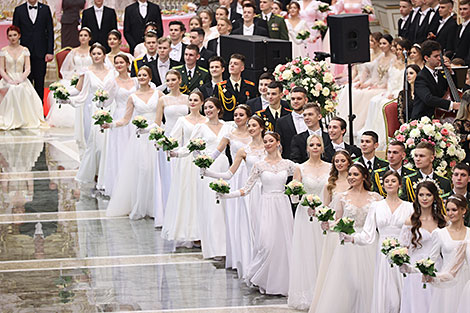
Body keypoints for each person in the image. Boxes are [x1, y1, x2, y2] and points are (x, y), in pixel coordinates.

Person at [219, 131, 297, 295]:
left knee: (284, 244)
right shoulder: (259, 166)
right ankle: (260, 276)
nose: (267, 144)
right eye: (266, 141)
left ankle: (283, 283)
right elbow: (246, 189)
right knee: (266, 244)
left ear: (277, 142)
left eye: (271, 141)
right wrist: (226, 195)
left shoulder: (289, 165)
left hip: (282, 205)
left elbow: (300, 180)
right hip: (266, 205)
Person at [309, 163, 382, 313]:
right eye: (350, 174)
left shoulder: (375, 198)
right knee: (350, 283)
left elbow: (380, 221)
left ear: (364, 177)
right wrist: (326, 223)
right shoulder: (342, 197)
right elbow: (336, 219)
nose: (351, 178)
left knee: (369, 282)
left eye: (355, 174)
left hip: (369, 242)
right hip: (348, 244)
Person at [202, 113, 266, 278]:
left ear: (262, 128)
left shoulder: (271, 147)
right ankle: (249, 264)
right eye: (249, 125)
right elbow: (229, 173)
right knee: (249, 226)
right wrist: (207, 171)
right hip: (248, 188)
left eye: (254, 125)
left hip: (268, 192)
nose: (251, 128)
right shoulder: (243, 151)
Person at [342, 170, 414, 313]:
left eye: (393, 181)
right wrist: (353, 238)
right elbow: (368, 233)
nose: (390, 184)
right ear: (383, 185)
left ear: (400, 184)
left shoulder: (409, 206)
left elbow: (413, 232)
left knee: (403, 289)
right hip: (383, 254)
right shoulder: (376, 206)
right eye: (386, 181)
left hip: (403, 253)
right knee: (386, 292)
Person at [104, 66, 164, 219]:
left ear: (150, 77)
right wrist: (111, 125)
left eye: (145, 75)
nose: (142, 77)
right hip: (140, 138)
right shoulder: (133, 97)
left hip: (155, 135)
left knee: (156, 169)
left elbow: (159, 119)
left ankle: (157, 207)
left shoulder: (158, 94)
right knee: (143, 169)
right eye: (140, 75)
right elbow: (126, 119)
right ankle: (142, 205)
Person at [288, 134, 331, 310]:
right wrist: (303, 201)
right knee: (306, 251)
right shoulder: (300, 168)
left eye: (318, 144)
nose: (314, 147)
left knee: (323, 251)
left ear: (322, 148)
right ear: (307, 148)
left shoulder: (330, 168)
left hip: (325, 213)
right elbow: (293, 193)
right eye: (311, 144)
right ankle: (307, 293)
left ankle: (325, 292)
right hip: (306, 214)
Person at [189, 97, 232, 259]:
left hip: (223, 166)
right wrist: (202, 162)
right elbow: (193, 149)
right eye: (206, 108)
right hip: (207, 168)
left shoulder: (228, 126)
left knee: (224, 206)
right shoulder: (200, 127)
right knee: (211, 207)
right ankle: (215, 248)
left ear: (219, 109)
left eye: (211, 107)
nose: (208, 110)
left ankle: (228, 246)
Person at [161, 91, 207, 244]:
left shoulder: (207, 121)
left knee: (201, 194)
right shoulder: (182, 120)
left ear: (201, 102)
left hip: (202, 160)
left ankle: (202, 232)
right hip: (186, 161)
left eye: (196, 100)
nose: (192, 102)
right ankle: (188, 230)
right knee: (187, 193)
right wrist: (166, 144)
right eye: (191, 100)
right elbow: (174, 138)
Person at [71, 43, 116, 189]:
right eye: (94, 54)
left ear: (104, 55)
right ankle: (95, 171)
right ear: (91, 55)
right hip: (93, 109)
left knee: (108, 142)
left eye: (99, 53)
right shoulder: (87, 72)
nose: (96, 56)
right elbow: (78, 90)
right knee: (95, 142)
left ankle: (107, 172)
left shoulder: (112, 72)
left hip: (110, 108)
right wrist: (63, 94)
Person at [399, 181, 447, 313]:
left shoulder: (442, 220)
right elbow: (403, 247)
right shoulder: (411, 221)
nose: (424, 198)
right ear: (417, 197)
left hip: (437, 267)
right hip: (416, 269)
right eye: (421, 195)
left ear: (434, 197)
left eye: (428, 195)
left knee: (437, 303)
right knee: (418, 303)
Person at [336, 34, 396, 134]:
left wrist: (378, 86)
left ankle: (362, 123)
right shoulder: (380, 58)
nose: (381, 46)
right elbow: (374, 75)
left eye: (384, 43)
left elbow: (390, 78)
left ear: (390, 45)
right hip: (375, 84)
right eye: (380, 43)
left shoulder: (393, 59)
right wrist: (367, 84)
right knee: (356, 91)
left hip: (384, 87)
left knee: (365, 95)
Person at [359, 38, 409, 149]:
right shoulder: (393, 61)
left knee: (383, 104)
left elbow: (403, 82)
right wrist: (389, 91)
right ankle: (373, 134)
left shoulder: (408, 64)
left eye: (400, 49)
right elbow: (390, 79)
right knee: (374, 100)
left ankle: (384, 138)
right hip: (390, 90)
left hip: (399, 92)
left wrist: (395, 93)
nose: (398, 51)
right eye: (397, 49)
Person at [101, 54, 137, 196]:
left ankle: (134, 183)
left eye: (122, 62)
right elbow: (106, 102)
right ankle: (120, 186)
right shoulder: (112, 82)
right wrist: (101, 98)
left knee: (134, 150)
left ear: (128, 64)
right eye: (116, 63)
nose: (119, 65)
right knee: (121, 150)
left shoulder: (136, 81)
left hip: (135, 116)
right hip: (120, 116)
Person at [427, 194, 470, 313]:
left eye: (454, 210)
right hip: (447, 283)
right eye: (448, 210)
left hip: (467, 282)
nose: (450, 213)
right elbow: (431, 260)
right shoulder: (440, 234)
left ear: (463, 210)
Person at [0, 25, 46, 130]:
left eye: (15, 35)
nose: (13, 38)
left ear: (19, 36)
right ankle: (10, 118)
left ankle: (23, 119)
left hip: (21, 78)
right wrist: (9, 80)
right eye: (10, 35)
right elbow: (1, 69)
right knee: (11, 89)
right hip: (8, 78)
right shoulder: (3, 50)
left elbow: (28, 68)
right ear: (7, 37)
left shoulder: (25, 50)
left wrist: (20, 79)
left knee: (21, 89)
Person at [46, 27, 92, 128]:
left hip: (90, 78)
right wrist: (75, 77)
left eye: (85, 35)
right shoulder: (74, 52)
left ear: (90, 38)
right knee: (64, 90)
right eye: (81, 35)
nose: (83, 38)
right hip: (76, 78)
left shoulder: (94, 51)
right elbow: (67, 69)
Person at [13, 0, 54, 102]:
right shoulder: (19, 10)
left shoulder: (45, 9)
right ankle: (27, 110)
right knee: (26, 83)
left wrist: (50, 51)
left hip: (41, 52)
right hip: (24, 53)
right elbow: (15, 32)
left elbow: (50, 31)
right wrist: (16, 52)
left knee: (40, 82)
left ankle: (39, 109)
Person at [411, 40, 460, 120]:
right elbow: (428, 99)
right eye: (436, 56)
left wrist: (451, 73)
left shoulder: (440, 73)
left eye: (440, 55)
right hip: (423, 118)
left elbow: (451, 89)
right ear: (426, 58)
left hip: (439, 116)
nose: (439, 58)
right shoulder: (421, 77)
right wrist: (451, 105)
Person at [213, 54, 256, 121]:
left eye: (235, 64)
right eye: (230, 63)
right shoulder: (220, 87)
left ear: (242, 68)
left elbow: (253, 105)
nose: (232, 66)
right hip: (227, 121)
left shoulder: (250, 86)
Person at [276, 87, 308, 160]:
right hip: (289, 162)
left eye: (299, 99)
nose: (295, 101)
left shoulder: (313, 119)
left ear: (306, 100)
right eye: (293, 99)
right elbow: (279, 145)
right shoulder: (281, 122)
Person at [453, 90, 470, 164]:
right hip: (466, 159)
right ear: (466, 106)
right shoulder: (459, 123)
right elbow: (455, 138)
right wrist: (468, 137)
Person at [454, 0, 470, 65]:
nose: (462, 11)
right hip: (458, 63)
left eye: (465, 9)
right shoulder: (460, 26)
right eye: (460, 9)